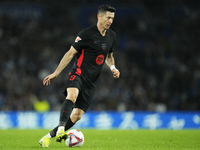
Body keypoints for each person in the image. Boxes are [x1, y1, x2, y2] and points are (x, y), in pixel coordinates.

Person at [39, 4, 120, 147]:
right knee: (72, 95)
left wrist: (113, 67)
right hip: (78, 73)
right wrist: (56, 72)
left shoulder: (111, 36)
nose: (110, 21)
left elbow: (109, 56)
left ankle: (47, 137)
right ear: (99, 16)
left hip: (92, 82)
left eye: (112, 18)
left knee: (77, 116)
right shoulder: (86, 34)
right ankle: (62, 128)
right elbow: (70, 53)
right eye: (108, 17)